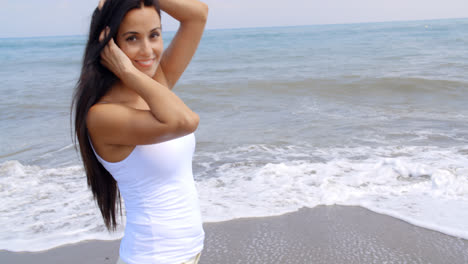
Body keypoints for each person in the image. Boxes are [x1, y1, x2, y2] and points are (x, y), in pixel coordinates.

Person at [71, 0, 208, 263]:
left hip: (188, 253)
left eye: (154, 35)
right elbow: (186, 121)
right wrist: (125, 70)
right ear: (109, 45)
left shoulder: (154, 85)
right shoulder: (102, 115)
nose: (148, 50)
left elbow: (197, 16)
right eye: (132, 38)